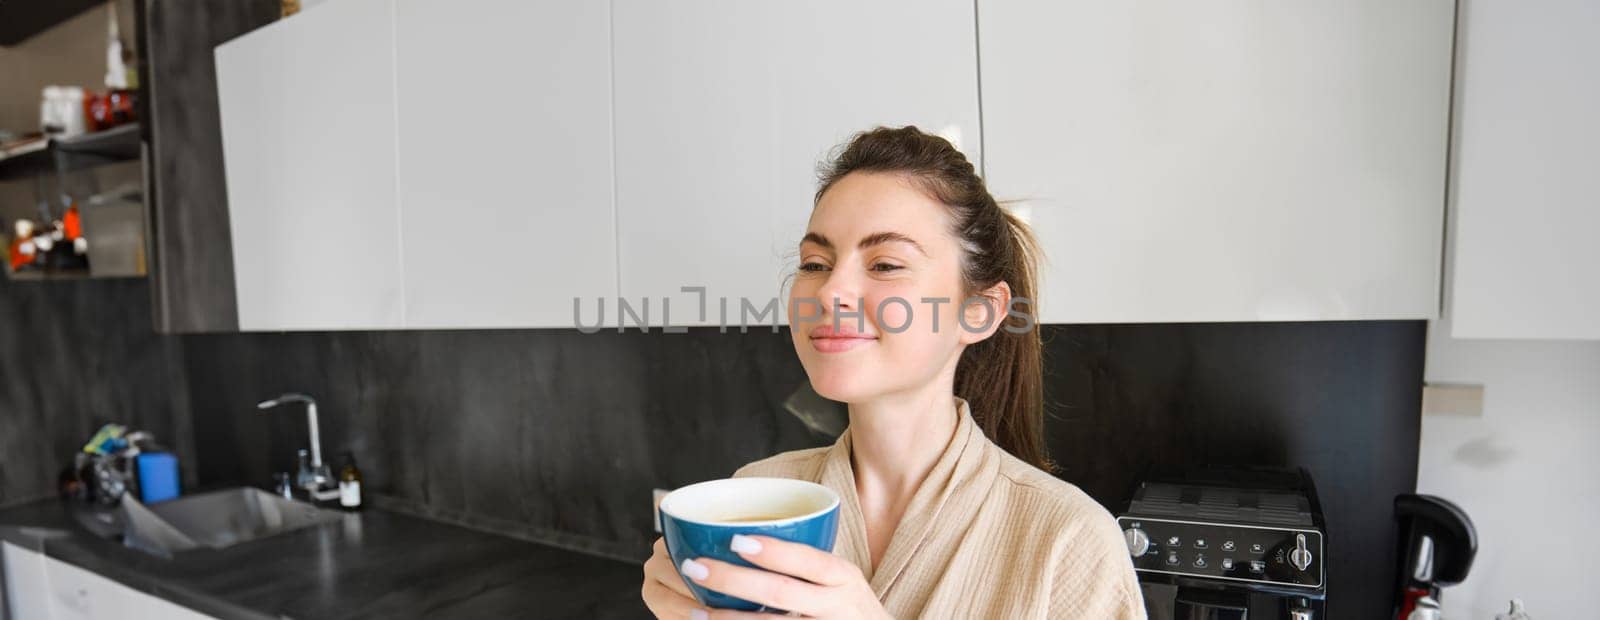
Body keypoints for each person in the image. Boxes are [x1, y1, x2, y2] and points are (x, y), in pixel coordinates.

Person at [641, 126, 1144, 618]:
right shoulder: (759, 491)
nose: (830, 292)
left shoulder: (1069, 541)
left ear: (979, 312)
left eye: (884, 265)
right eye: (815, 264)